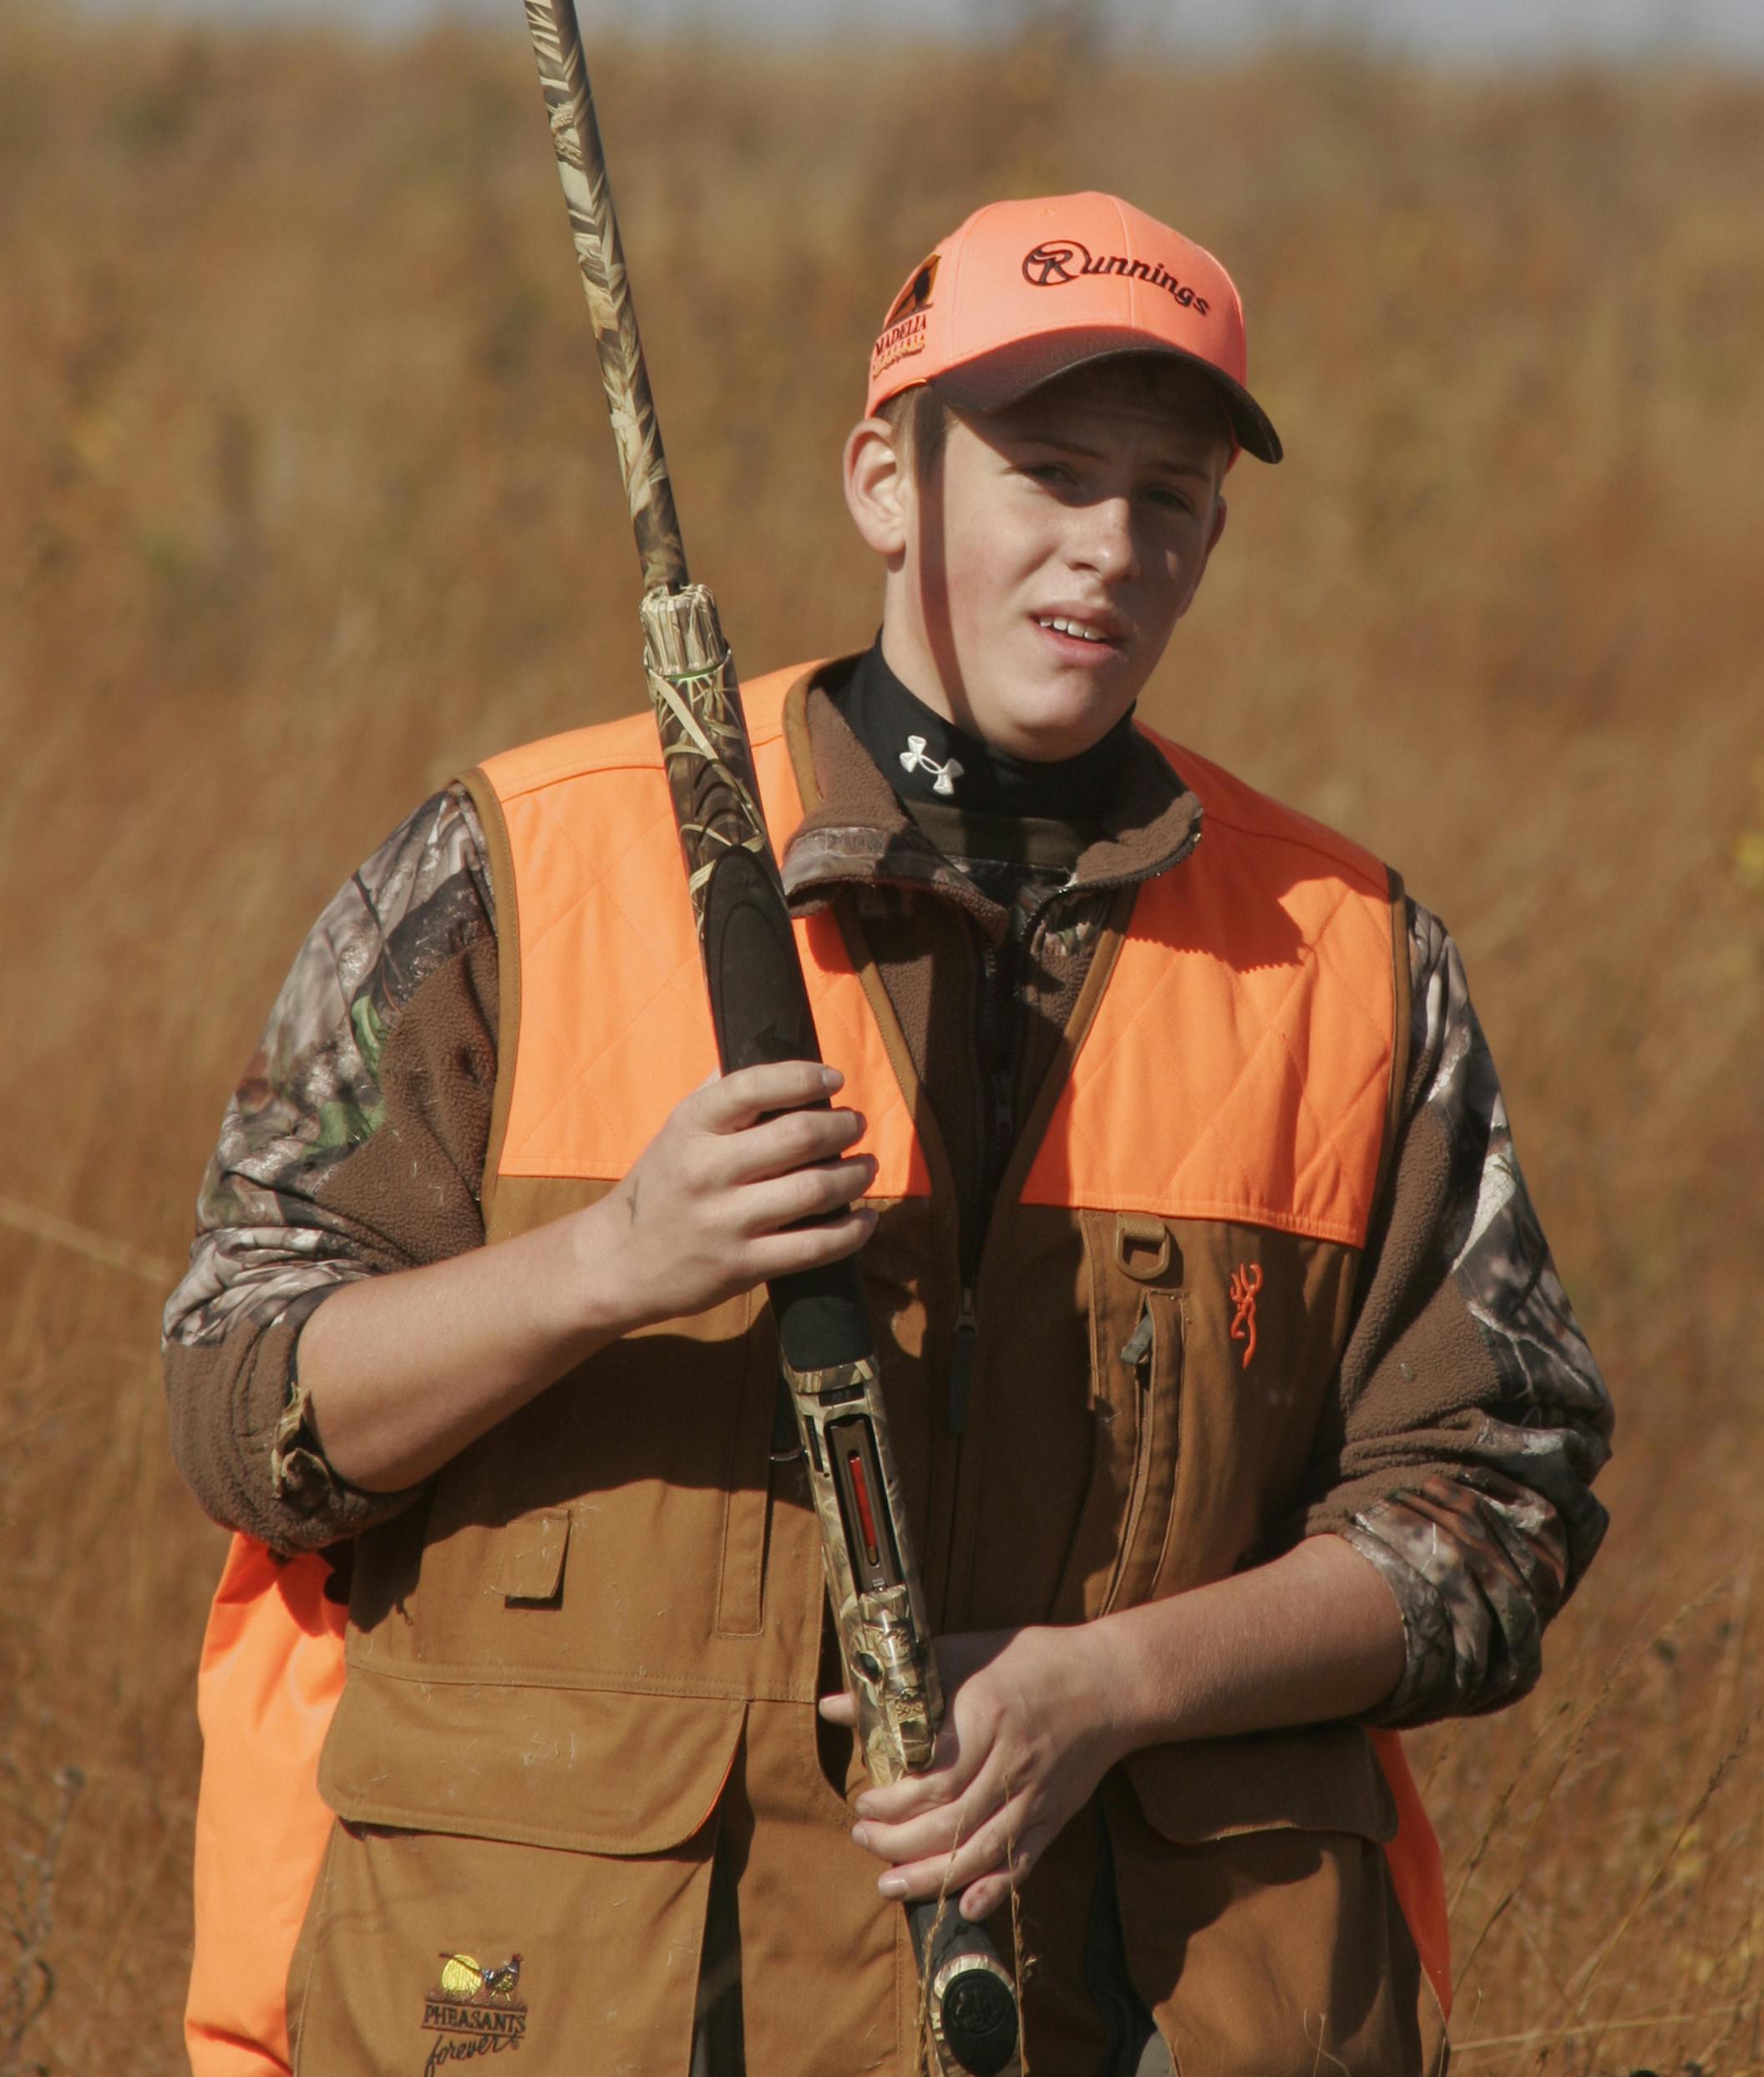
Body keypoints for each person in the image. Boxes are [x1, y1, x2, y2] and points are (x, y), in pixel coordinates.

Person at [165, 191, 1612, 2076]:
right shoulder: (523, 869)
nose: (1106, 547)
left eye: (1164, 496)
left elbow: (1497, 1502)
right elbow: (237, 1404)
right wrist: (611, 1261)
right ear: (884, 480)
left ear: (1216, 533)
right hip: (578, 2010)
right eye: (1045, 471)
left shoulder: (1351, 958)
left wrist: (1112, 1685)